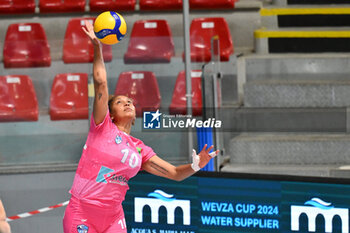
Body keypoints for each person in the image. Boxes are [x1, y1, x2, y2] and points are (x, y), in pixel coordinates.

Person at [62, 20, 219, 233]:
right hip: (83, 212)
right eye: (120, 102)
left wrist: (196, 165)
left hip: (113, 216)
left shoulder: (139, 149)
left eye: (129, 101)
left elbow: (174, 173)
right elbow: (101, 83)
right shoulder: (102, 127)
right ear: (111, 114)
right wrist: (97, 47)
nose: (127, 103)